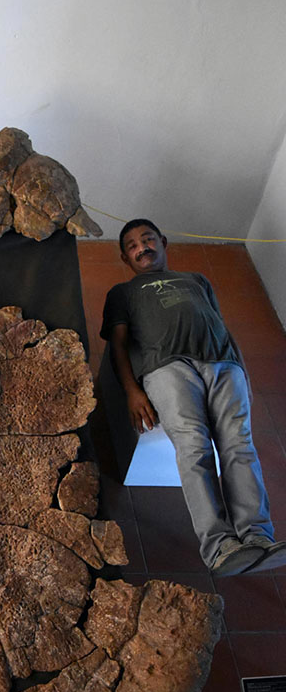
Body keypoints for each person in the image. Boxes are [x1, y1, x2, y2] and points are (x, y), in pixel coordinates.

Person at [100, 218, 286, 576]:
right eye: (134, 245)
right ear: (125, 257)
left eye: (148, 239)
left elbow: (223, 327)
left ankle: (258, 536)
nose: (143, 248)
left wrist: (243, 374)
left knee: (239, 445)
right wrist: (132, 391)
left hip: (222, 365)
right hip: (166, 368)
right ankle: (220, 547)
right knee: (194, 448)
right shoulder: (122, 294)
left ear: (163, 241)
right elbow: (118, 346)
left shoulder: (197, 281)